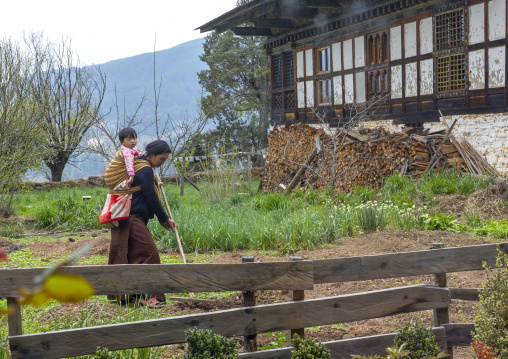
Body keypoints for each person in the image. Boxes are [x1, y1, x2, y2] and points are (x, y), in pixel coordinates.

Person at [106, 139, 177, 308]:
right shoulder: (144, 169)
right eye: (161, 159)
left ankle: (127, 297)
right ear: (151, 155)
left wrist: (154, 183)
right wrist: (164, 218)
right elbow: (151, 197)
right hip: (132, 218)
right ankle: (154, 297)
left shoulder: (138, 166)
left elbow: (142, 188)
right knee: (149, 253)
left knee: (128, 255)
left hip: (123, 218)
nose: (161, 163)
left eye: (165, 160)